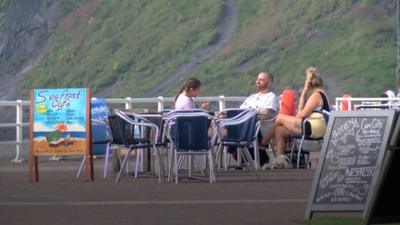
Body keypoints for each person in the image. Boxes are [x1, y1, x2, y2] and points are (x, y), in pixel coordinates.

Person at [261, 67, 330, 169]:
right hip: (314, 126)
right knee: (279, 130)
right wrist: (304, 92)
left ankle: (262, 144)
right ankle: (280, 161)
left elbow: (302, 114)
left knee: (280, 117)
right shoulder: (322, 94)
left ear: (310, 84)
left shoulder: (316, 95)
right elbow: (302, 108)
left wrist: (294, 118)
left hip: (312, 128)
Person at [228, 71, 279, 167]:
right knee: (227, 128)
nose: (258, 81)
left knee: (234, 131)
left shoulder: (271, 97)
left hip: (259, 128)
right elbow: (239, 112)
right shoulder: (252, 97)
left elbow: (269, 114)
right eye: (257, 79)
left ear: (269, 82)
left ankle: (243, 155)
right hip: (244, 125)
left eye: (261, 79)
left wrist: (252, 117)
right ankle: (247, 155)